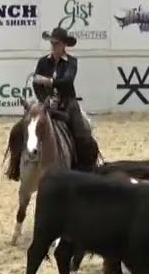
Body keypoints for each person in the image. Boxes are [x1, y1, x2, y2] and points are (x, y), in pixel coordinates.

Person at [32, 27, 99, 169]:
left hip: (67, 102)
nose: (53, 46)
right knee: (28, 125)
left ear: (64, 45)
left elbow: (68, 81)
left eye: (56, 43)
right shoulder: (43, 62)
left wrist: (48, 81)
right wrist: (45, 99)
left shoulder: (71, 62)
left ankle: (86, 164)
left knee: (81, 132)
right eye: (52, 43)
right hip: (46, 102)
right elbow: (36, 84)